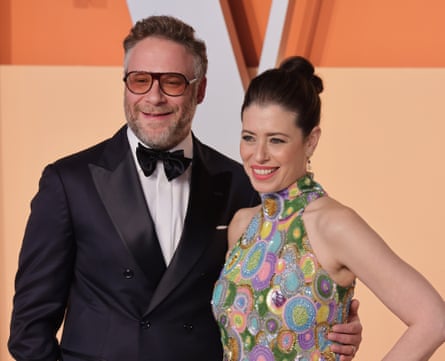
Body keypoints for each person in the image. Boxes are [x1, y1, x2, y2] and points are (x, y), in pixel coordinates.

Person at [8, 16, 362, 361]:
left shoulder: (242, 184)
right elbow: (29, 330)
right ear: (125, 84)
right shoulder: (69, 182)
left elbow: (274, 295)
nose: (154, 96)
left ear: (200, 89)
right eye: (140, 80)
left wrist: (330, 321)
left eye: (173, 82)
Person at [211, 55, 445, 360]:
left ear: (311, 142)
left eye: (277, 140)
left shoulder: (331, 224)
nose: (259, 155)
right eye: (249, 138)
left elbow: (432, 319)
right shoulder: (242, 225)